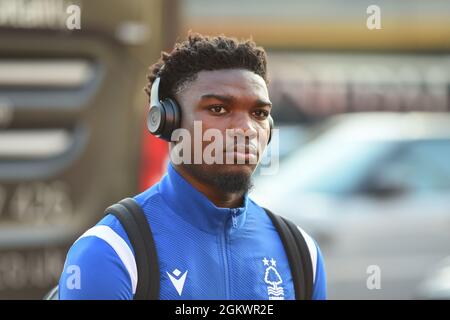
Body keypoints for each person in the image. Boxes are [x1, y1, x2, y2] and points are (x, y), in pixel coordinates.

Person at [58, 33, 326, 300]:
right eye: (219, 109)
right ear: (168, 122)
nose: (246, 129)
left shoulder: (301, 254)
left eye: (259, 114)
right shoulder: (111, 252)